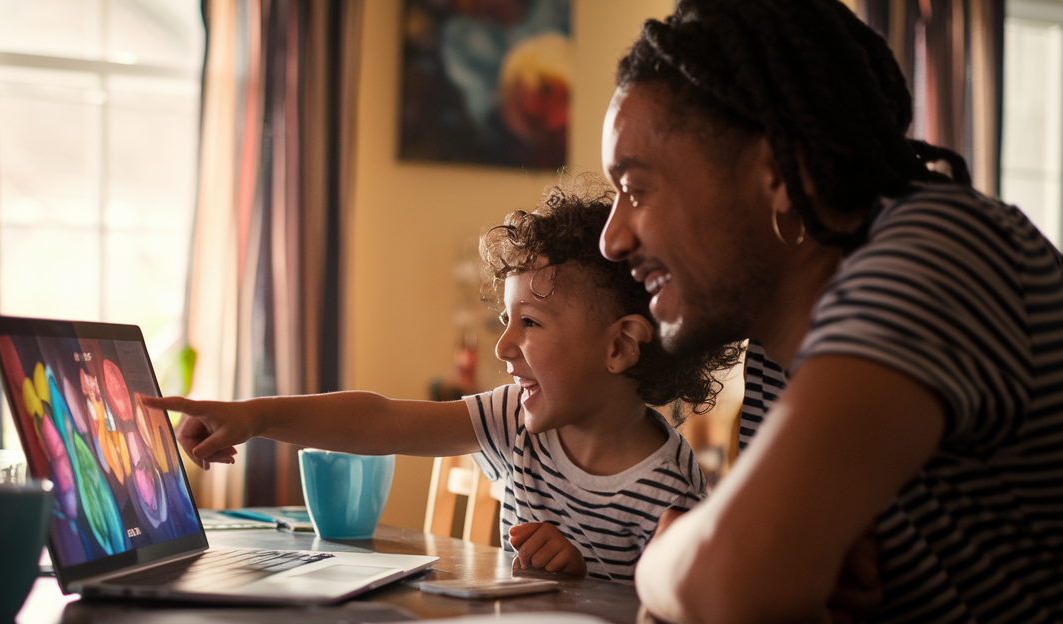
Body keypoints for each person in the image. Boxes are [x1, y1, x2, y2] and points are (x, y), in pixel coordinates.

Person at [602, 0, 1063, 624]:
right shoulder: (780, 359)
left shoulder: (937, 251)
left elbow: (734, 577)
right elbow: (773, 585)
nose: (613, 239)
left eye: (634, 189)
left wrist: (666, 558)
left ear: (777, 171)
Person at [144, 186, 735, 583]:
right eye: (505, 321)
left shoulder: (668, 490)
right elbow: (383, 421)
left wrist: (582, 573)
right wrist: (257, 417)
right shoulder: (514, 419)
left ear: (619, 347)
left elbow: (668, 617)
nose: (503, 348)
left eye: (529, 323)